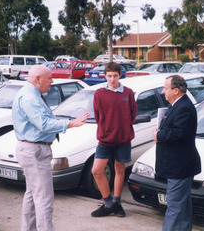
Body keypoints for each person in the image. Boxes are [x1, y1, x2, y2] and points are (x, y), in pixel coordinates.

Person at [12, 65, 89, 231]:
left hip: (32, 149)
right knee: (44, 198)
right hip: (35, 151)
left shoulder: (31, 95)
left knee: (33, 195)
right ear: (38, 79)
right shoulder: (30, 98)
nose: (52, 81)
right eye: (49, 78)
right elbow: (45, 124)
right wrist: (71, 123)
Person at [152, 75, 201, 231]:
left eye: (165, 88)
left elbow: (179, 133)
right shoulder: (177, 105)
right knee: (183, 205)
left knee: (174, 207)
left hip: (179, 167)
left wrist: (158, 135)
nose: (162, 91)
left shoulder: (184, 107)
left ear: (176, 90)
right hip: (178, 166)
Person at [91, 62, 137, 217]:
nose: (112, 79)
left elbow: (132, 115)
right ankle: (108, 203)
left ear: (120, 75)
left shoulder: (128, 93)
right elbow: (98, 116)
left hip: (123, 139)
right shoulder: (99, 93)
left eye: (115, 76)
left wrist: (123, 130)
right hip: (105, 139)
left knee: (120, 170)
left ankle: (117, 204)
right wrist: (107, 130)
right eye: (109, 76)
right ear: (105, 76)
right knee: (97, 171)